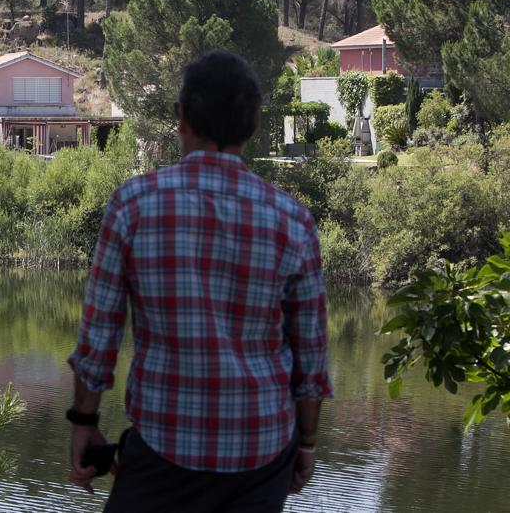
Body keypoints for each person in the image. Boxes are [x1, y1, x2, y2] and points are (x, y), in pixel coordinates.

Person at [67, 51, 332, 512]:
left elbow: (99, 337)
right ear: (249, 126)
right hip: (262, 451)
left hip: (163, 449)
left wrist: (83, 421)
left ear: (182, 117)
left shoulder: (133, 205)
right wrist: (306, 443)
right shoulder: (294, 221)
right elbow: (311, 356)